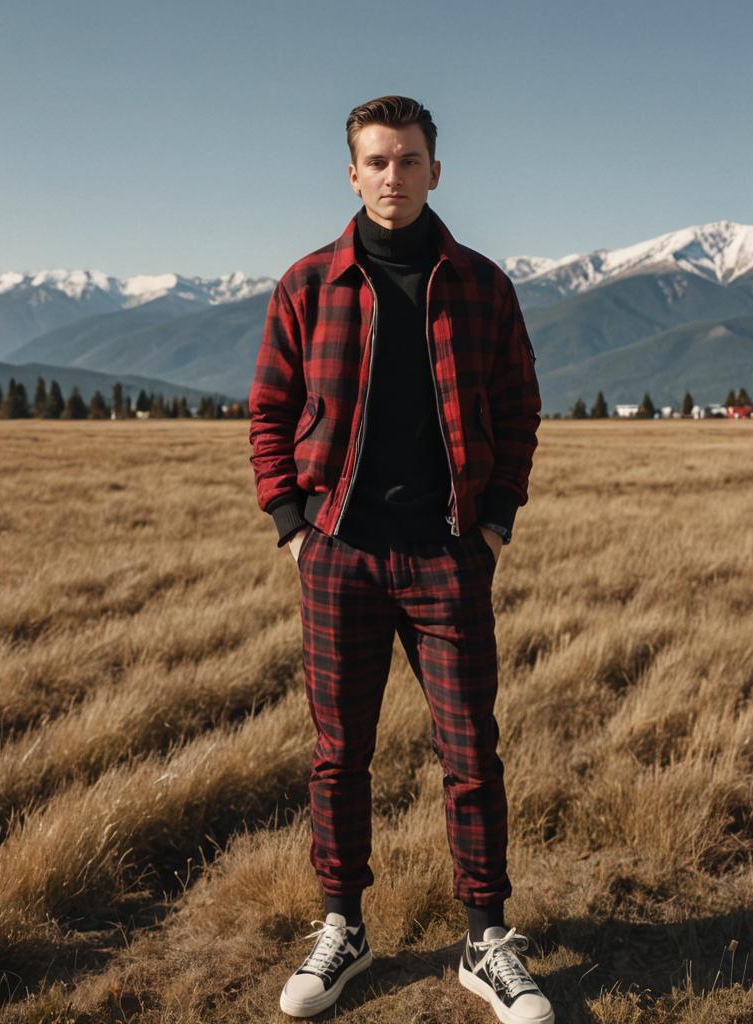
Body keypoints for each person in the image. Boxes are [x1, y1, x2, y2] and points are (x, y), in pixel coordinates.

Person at [248, 94, 550, 1023]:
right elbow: (267, 414)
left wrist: (493, 525)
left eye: (408, 159)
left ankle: (485, 939)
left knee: (471, 754)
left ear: (434, 170)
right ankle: (343, 926)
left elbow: (518, 411)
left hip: (448, 556)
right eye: (376, 161)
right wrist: (296, 529)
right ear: (353, 174)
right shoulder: (307, 286)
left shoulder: (483, 286)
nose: (393, 175)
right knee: (340, 756)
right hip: (339, 554)